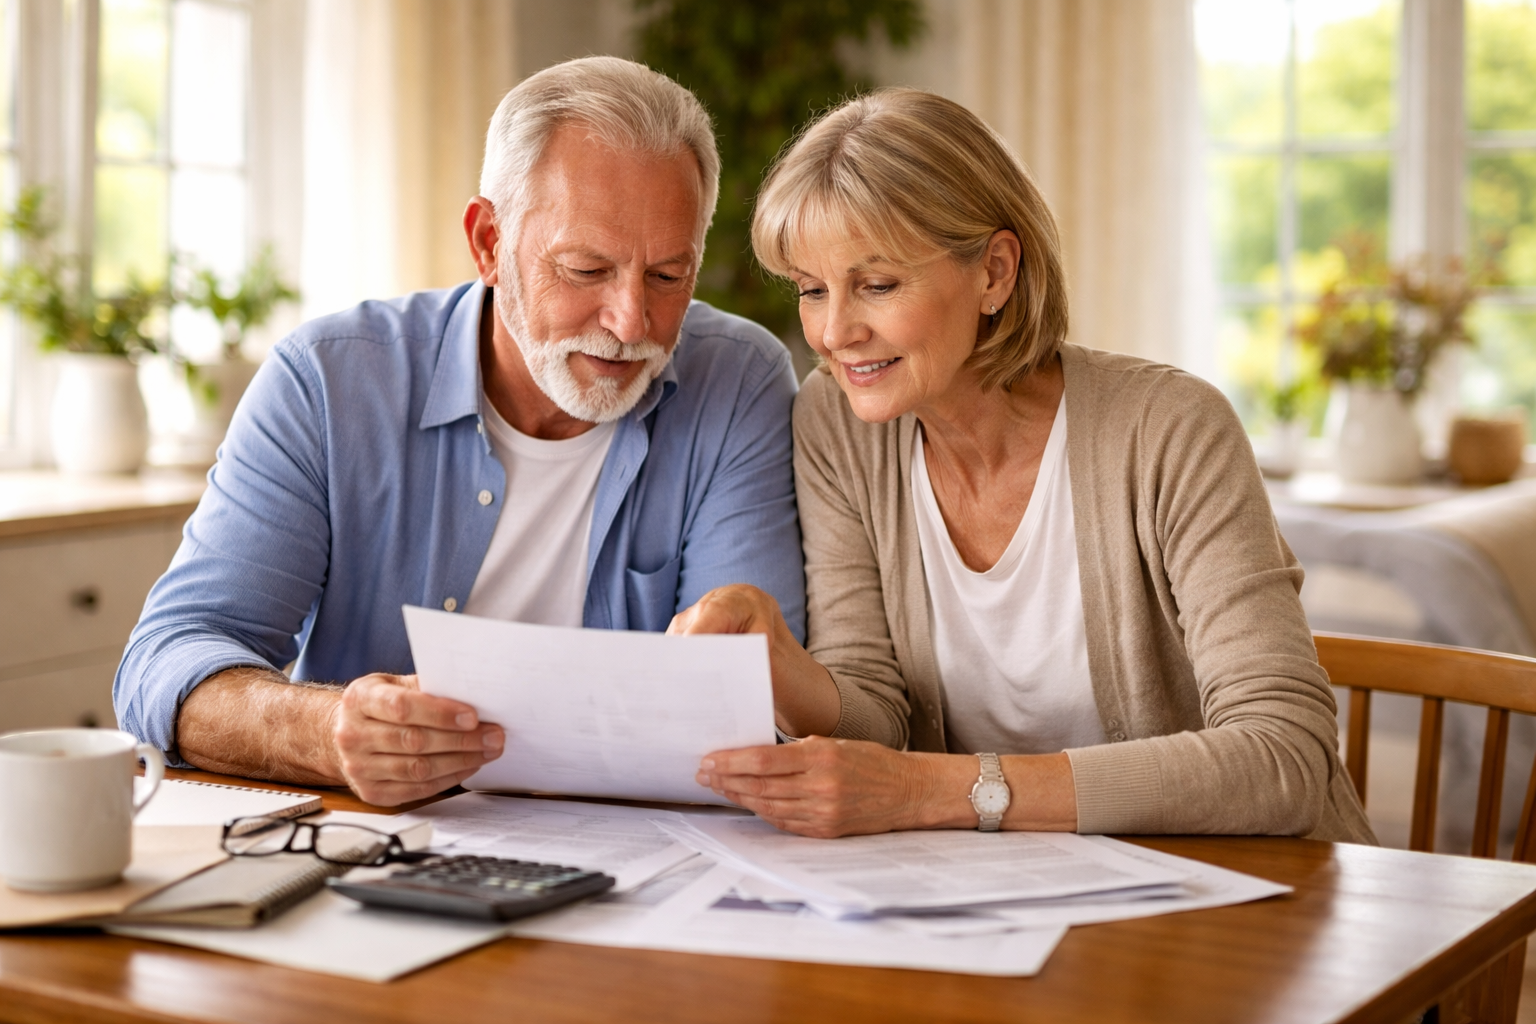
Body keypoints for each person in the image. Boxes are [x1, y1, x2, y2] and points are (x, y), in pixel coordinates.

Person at [672, 89, 1375, 844]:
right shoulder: (837, 425)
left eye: (877, 285)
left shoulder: (1171, 430)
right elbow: (877, 708)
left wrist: (939, 790)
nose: (835, 331)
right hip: (1014, 903)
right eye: (812, 290)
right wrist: (779, 665)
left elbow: (1285, 760)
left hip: (1255, 899)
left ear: (995, 273)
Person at [116, 57, 805, 808]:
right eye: (584, 269)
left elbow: (751, 710)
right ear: (487, 244)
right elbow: (163, 665)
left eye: (669, 276)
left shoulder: (740, 381)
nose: (630, 322)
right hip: (373, 853)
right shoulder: (329, 382)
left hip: (648, 856)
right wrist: (328, 730)